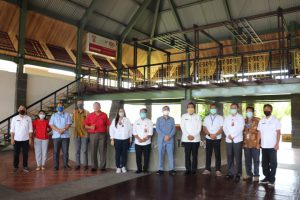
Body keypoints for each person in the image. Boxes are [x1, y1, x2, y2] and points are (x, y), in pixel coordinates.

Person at [258, 104, 281, 187]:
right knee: (264, 164)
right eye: (265, 109)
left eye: (268, 109)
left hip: (272, 146)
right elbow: (259, 132)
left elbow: (278, 133)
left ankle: (272, 179)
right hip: (263, 146)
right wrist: (258, 143)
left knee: (273, 163)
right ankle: (266, 177)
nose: (266, 110)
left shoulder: (275, 120)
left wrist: (277, 143)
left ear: (271, 110)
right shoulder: (261, 120)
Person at [84, 102, 110, 172]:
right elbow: (85, 125)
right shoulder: (90, 115)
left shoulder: (104, 115)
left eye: (97, 106)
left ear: (100, 107)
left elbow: (108, 125)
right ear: (93, 107)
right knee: (93, 150)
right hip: (93, 135)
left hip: (103, 135)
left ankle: (102, 167)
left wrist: (107, 134)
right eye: (94, 106)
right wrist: (90, 127)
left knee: (102, 151)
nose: (96, 107)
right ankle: (94, 166)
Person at [223, 103, 245, 182]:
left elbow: (241, 128)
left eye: (234, 108)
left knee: (238, 157)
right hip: (228, 139)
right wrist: (228, 135)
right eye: (231, 108)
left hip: (237, 139)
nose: (233, 109)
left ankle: (238, 174)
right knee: (229, 156)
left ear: (237, 108)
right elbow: (224, 127)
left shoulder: (241, 117)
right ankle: (230, 173)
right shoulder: (227, 117)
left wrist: (233, 135)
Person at [180, 102, 202, 176]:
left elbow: (199, 128)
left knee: (195, 155)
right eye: (189, 107)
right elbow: (182, 127)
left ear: (194, 108)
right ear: (187, 108)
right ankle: (188, 169)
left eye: (192, 107)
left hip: (196, 139)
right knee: (187, 155)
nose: (190, 108)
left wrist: (193, 135)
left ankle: (194, 169)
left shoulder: (198, 116)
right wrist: (188, 135)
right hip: (186, 139)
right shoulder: (183, 116)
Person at [202, 103, 224, 177]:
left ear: (216, 109)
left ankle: (218, 170)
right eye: (212, 108)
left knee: (218, 154)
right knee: (208, 154)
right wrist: (209, 135)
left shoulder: (220, 117)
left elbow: (222, 129)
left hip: (217, 138)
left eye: (214, 108)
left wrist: (215, 135)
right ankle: (207, 169)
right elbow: (204, 128)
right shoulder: (206, 118)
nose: (213, 110)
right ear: (210, 109)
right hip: (208, 138)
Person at [49, 102, 72, 171]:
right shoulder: (53, 115)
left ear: (63, 107)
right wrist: (58, 130)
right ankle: (56, 166)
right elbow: (51, 125)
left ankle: (66, 165)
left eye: (61, 106)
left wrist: (63, 129)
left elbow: (69, 123)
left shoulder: (67, 115)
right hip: (56, 136)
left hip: (65, 136)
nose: (60, 107)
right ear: (56, 108)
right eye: (58, 106)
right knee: (56, 152)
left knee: (65, 152)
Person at [10, 105, 33, 173]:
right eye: (20, 108)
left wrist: (30, 138)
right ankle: (15, 167)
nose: (22, 109)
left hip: (26, 139)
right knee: (16, 154)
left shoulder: (28, 118)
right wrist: (12, 138)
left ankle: (25, 166)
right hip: (16, 139)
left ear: (25, 110)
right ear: (18, 110)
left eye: (23, 108)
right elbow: (12, 130)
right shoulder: (14, 118)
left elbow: (30, 129)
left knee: (25, 154)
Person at [109, 108, 132, 173]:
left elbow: (130, 129)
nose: (121, 112)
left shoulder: (127, 120)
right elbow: (111, 130)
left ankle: (123, 166)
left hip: (125, 139)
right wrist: (112, 139)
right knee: (118, 153)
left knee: (124, 153)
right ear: (118, 112)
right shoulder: (114, 120)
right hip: (117, 139)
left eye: (122, 111)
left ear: (124, 112)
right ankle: (118, 167)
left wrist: (130, 138)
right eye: (120, 111)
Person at [156, 106, 176, 176]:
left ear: (169, 111)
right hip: (161, 140)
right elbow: (157, 129)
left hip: (170, 140)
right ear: (162, 111)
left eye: (167, 109)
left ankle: (171, 169)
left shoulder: (172, 119)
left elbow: (174, 129)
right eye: (164, 109)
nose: (166, 110)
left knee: (170, 155)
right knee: (160, 155)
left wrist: (169, 136)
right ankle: (160, 169)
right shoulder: (158, 119)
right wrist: (164, 136)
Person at [133, 108, 153, 174]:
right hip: (137, 143)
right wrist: (139, 139)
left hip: (147, 143)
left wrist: (144, 139)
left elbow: (150, 133)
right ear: (139, 113)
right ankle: (139, 169)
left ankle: (145, 169)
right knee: (138, 157)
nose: (142, 113)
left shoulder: (149, 121)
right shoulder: (136, 122)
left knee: (146, 157)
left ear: (146, 113)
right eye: (141, 112)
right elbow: (134, 132)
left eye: (144, 112)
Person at [243, 106, 260, 182]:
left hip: (255, 143)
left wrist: (259, 143)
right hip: (246, 144)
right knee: (247, 160)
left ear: (253, 112)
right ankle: (249, 174)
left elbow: (260, 132)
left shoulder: (258, 120)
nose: (248, 113)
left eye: (250, 111)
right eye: (247, 111)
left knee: (256, 160)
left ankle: (256, 175)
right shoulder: (244, 120)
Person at [73, 100, 89, 171]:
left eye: (81, 103)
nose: (80, 104)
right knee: (77, 150)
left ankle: (85, 165)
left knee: (85, 150)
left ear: (83, 104)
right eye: (78, 103)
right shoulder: (74, 112)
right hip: (76, 134)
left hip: (84, 134)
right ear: (77, 104)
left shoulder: (87, 112)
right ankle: (77, 164)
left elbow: (89, 122)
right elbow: (71, 122)